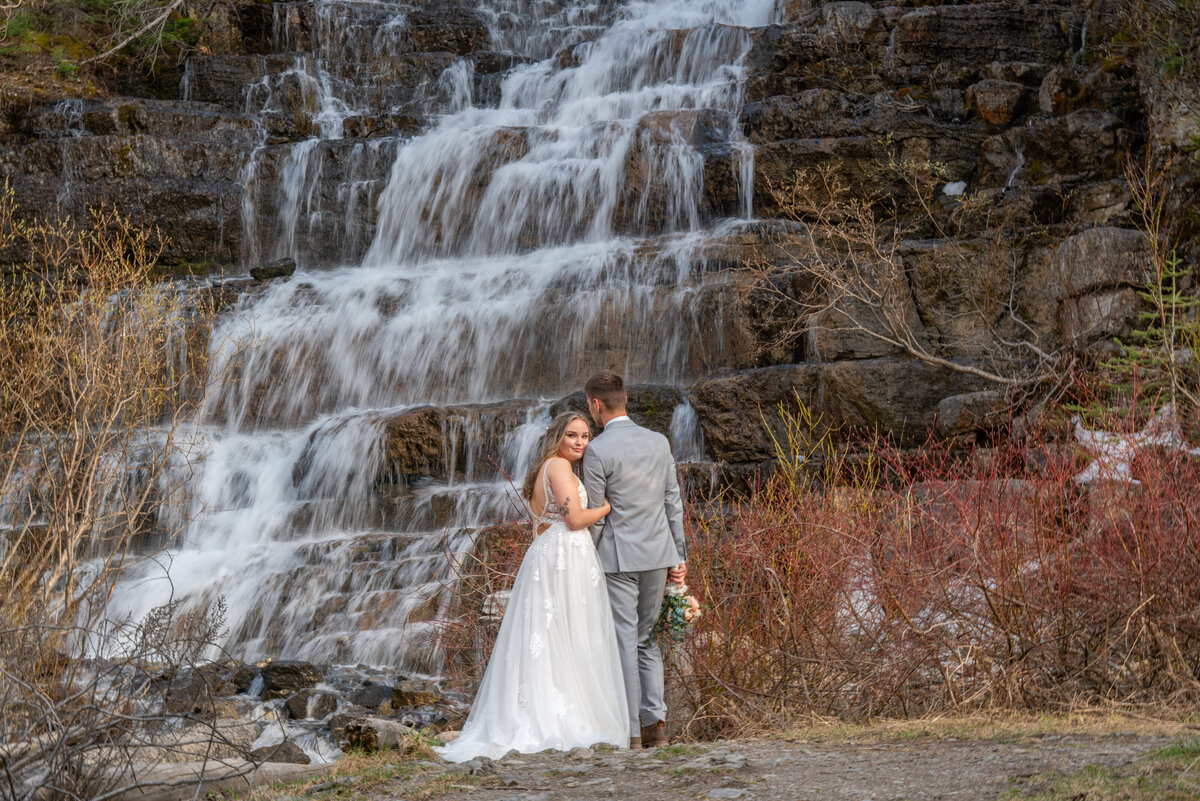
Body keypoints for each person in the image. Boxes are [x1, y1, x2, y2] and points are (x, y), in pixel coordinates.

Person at [435, 412, 629, 762]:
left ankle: (545, 706)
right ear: (558, 437)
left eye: (585, 436)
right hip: (564, 555)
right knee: (567, 631)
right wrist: (605, 508)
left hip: (547, 551)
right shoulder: (559, 468)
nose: (580, 442)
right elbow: (573, 520)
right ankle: (560, 717)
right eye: (572, 435)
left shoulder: (546, 468)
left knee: (550, 633)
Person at [581, 371, 687, 749]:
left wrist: (583, 558)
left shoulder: (597, 450)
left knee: (624, 642)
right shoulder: (659, 442)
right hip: (659, 555)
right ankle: (656, 726)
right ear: (624, 399)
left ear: (595, 405)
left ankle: (630, 734)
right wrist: (680, 555)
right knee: (648, 641)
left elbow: (596, 512)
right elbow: (672, 502)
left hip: (618, 558)